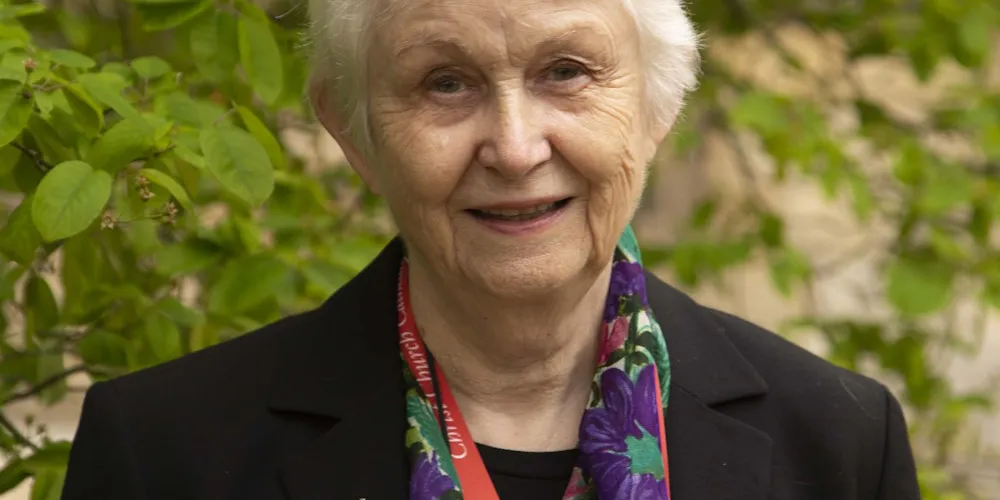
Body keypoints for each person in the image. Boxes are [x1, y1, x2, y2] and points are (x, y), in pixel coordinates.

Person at [61, 0, 922, 498]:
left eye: (566, 72)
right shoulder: (162, 455)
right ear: (354, 133)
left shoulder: (840, 444)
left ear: (658, 107)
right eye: (445, 82)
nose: (514, 148)